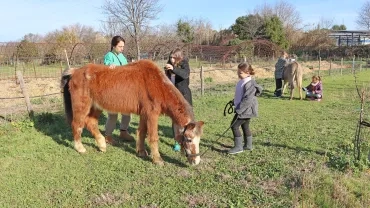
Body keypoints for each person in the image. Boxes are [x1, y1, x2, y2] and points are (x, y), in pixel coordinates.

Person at [103, 35, 135, 144]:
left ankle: (123, 132)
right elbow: (106, 67)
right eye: (120, 46)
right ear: (113, 46)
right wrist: (109, 67)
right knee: (113, 114)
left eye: (123, 46)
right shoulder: (109, 56)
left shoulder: (122, 56)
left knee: (127, 112)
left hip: (124, 89)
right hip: (112, 90)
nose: (122, 49)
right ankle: (107, 136)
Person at [228, 62, 263, 155]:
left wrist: (239, 110)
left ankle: (238, 147)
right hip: (243, 109)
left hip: (245, 110)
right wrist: (233, 101)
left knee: (234, 126)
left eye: (240, 73)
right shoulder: (242, 81)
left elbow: (247, 100)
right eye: (238, 72)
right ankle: (248, 145)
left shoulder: (250, 84)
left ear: (248, 73)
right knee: (245, 126)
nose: (238, 74)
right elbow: (240, 95)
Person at [164, 48, 192, 151]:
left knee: (186, 119)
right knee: (175, 119)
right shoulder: (168, 66)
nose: (171, 59)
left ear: (178, 57)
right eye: (170, 57)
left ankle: (186, 139)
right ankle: (177, 142)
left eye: (173, 57)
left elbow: (185, 74)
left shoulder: (184, 64)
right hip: (173, 97)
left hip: (184, 96)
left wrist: (174, 68)